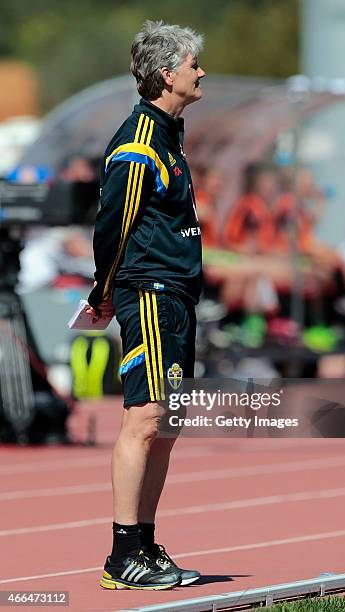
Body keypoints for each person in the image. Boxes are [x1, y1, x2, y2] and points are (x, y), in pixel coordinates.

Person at [86, 20, 205, 590]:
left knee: (170, 423)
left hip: (179, 294)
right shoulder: (138, 142)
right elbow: (114, 226)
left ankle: (147, 544)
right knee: (145, 418)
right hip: (149, 291)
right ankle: (122, 553)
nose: (200, 72)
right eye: (192, 64)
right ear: (167, 74)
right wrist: (102, 292)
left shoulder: (170, 133)